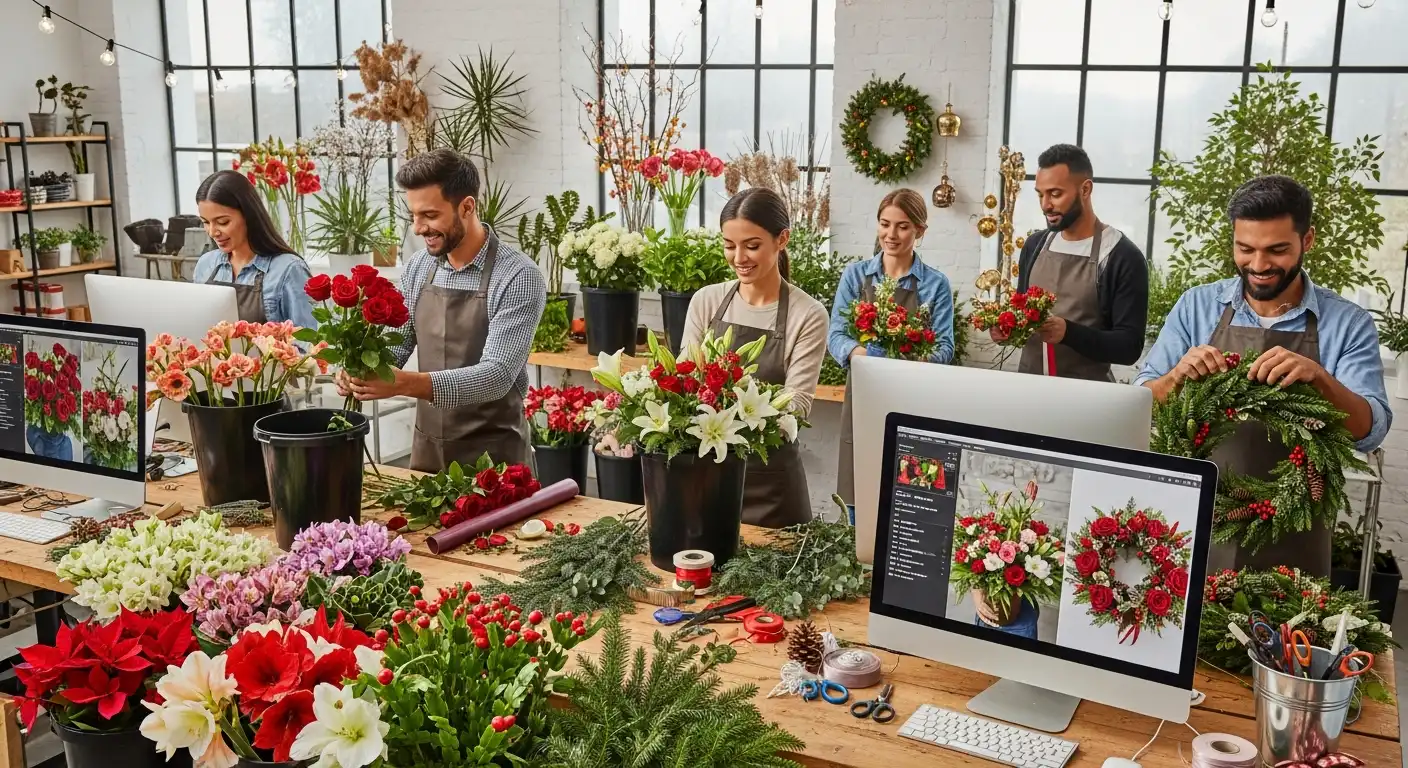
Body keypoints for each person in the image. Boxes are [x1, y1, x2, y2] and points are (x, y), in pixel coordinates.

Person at [1135, 175, 1391, 576]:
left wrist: (1320, 379)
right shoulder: (1196, 307)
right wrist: (1176, 377)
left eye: (1277, 250)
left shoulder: (1347, 323)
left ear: (1307, 241)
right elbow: (1140, 402)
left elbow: (1369, 430)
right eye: (1245, 249)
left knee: (1289, 635)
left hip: (1294, 528)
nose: (1258, 265)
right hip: (1194, 519)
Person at [340, 149, 546, 472]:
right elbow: (397, 342)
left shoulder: (518, 276)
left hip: (496, 464)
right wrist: (362, 370)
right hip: (428, 456)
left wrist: (404, 383)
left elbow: (497, 376)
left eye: (430, 216)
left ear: (467, 207)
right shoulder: (419, 267)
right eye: (414, 216)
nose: (418, 228)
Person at [681, 187, 829, 527]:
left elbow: (798, 404)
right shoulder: (707, 301)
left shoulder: (807, 314)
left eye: (752, 246)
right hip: (707, 476)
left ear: (782, 239)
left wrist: (731, 407)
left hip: (772, 483)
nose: (738, 258)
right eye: (729, 245)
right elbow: (686, 380)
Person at [829, 188, 955, 513]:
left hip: (914, 397)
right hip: (864, 394)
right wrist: (865, 358)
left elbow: (945, 346)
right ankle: (860, 562)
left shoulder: (935, 284)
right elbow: (837, 335)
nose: (891, 234)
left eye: (902, 226)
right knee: (861, 488)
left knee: (911, 496)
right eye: (885, 224)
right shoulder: (856, 276)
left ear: (919, 231)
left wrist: (906, 364)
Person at [1003, 144, 1148, 380]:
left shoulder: (1121, 256)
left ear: (1085, 189)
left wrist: (1068, 332)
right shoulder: (1035, 246)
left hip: (1087, 400)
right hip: (1028, 391)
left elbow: (1129, 347)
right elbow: (1023, 317)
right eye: (1041, 194)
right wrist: (1007, 329)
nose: (1045, 205)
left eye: (1055, 194)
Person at [193, 170, 317, 328]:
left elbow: (308, 342)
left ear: (248, 215)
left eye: (223, 222)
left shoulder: (288, 270)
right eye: (205, 222)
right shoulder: (206, 264)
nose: (212, 232)